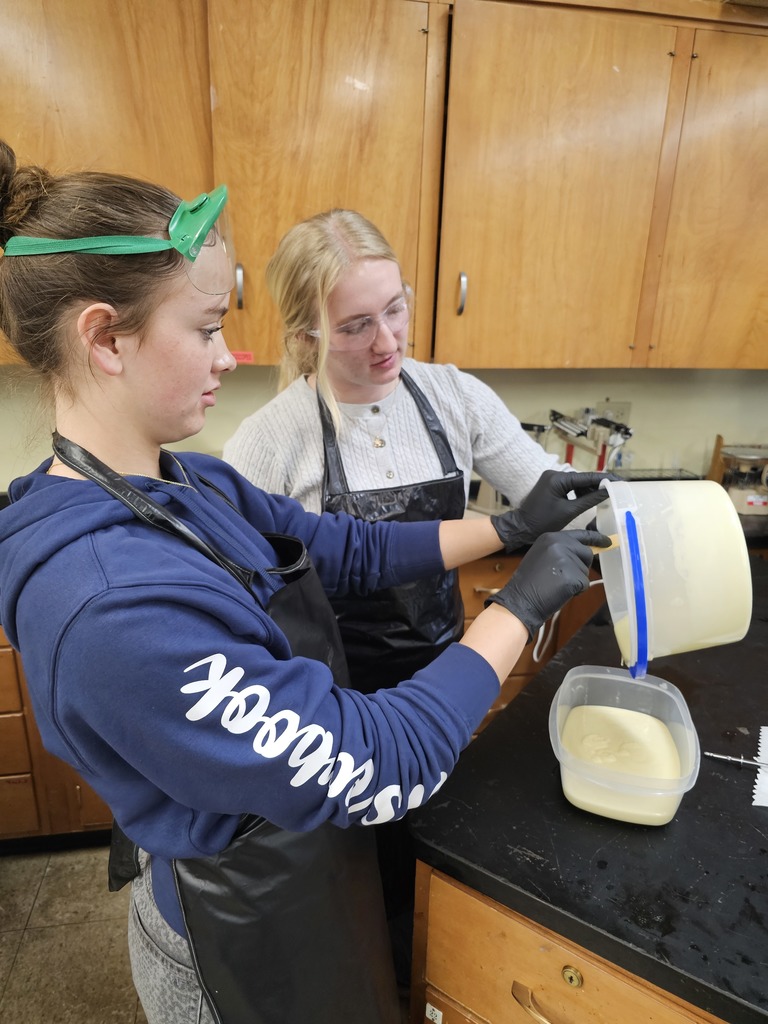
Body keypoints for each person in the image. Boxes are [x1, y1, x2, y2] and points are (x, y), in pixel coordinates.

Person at [0, 139, 612, 1024]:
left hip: (304, 861)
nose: (227, 357)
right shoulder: (112, 605)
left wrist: (510, 529)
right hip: (232, 938)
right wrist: (519, 605)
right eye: (205, 329)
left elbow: (344, 548)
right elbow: (376, 762)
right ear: (105, 338)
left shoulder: (190, 481)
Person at [222, 208, 600, 988]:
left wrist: (631, 521)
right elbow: (243, 601)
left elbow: (557, 500)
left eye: (394, 309)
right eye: (355, 325)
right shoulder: (271, 440)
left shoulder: (453, 397)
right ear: (306, 335)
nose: (387, 340)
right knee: (355, 882)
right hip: (331, 702)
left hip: (448, 673)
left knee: (433, 860)